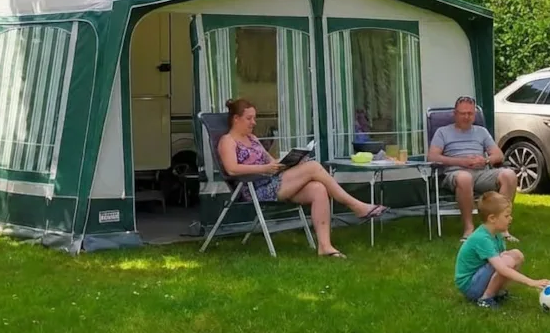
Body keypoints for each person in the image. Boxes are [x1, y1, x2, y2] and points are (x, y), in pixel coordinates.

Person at [217, 98, 387, 259]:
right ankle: (356, 206)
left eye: (254, 118)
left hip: (273, 181)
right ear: (236, 119)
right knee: (313, 168)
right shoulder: (228, 141)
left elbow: (271, 162)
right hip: (255, 189)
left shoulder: (252, 139)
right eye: (249, 118)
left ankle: (325, 247)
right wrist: (265, 168)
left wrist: (292, 162)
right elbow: (232, 169)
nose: (253, 122)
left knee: (318, 189)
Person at [428, 95, 519, 241]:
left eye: (470, 113)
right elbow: (432, 157)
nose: (466, 117)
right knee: (465, 177)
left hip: (481, 173)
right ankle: (469, 230)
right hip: (455, 173)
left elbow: (498, 155)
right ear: (455, 114)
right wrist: (461, 162)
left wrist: (486, 160)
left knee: (509, 175)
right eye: (462, 113)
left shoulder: (481, 131)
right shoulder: (442, 132)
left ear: (474, 115)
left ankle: (501, 229)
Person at [454, 192, 548, 309]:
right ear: (492, 218)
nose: (510, 219)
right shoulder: (482, 238)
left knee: (517, 255)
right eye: (506, 216)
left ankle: (498, 293)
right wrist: (531, 282)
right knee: (506, 262)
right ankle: (486, 299)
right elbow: (502, 268)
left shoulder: (496, 234)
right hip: (470, 286)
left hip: (478, 279)